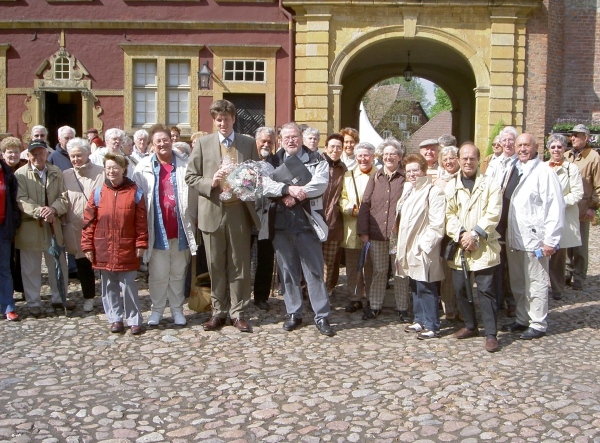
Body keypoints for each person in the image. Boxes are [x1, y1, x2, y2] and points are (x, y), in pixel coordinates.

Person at [185, 99, 260, 333]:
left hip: (239, 211)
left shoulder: (247, 143)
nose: (222, 123)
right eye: (218, 119)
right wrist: (211, 181)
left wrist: (246, 182)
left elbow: (257, 176)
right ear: (214, 121)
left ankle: (238, 312)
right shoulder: (203, 144)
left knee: (239, 264)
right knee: (215, 264)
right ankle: (218, 312)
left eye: (226, 119)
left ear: (233, 119)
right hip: (212, 211)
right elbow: (190, 177)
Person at [261, 122, 335, 336]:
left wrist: (294, 193)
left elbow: (320, 184)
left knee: (314, 271)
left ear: (301, 138)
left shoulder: (316, 159)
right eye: (286, 137)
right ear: (280, 140)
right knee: (288, 271)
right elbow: (265, 185)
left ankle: (321, 316)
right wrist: (286, 188)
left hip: (307, 223)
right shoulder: (272, 161)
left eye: (294, 137)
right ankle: (294, 313)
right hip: (281, 224)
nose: (291, 141)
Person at [134, 124, 198, 327]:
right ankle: (157, 310)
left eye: (165, 140)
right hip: (157, 229)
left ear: (172, 141)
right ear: (152, 145)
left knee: (178, 273)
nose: (162, 144)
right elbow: (137, 201)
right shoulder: (142, 168)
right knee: (159, 274)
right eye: (158, 141)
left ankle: (178, 310)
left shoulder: (185, 164)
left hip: (180, 229)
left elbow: (195, 195)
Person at [502, 133, 564, 340]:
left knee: (536, 281)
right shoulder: (513, 169)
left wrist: (551, 240)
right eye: (519, 145)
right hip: (514, 237)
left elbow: (555, 207)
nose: (522, 149)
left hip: (535, 239)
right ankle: (522, 318)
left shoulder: (545, 172)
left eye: (526, 145)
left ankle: (538, 322)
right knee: (518, 282)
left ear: (536, 147)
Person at [445, 143, 502, 352]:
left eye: (472, 158)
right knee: (460, 288)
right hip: (461, 245)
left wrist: (475, 233)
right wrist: (461, 234)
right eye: (464, 158)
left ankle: (491, 334)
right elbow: (448, 214)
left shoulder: (490, 183)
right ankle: (470, 325)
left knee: (486, 291)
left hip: (484, 245)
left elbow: (494, 212)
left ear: (478, 160)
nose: (468, 162)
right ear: (459, 160)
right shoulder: (451, 186)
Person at [82, 153, 148, 334]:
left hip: (127, 245)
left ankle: (134, 319)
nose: (111, 171)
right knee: (108, 285)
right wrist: (87, 245)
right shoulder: (97, 193)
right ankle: (115, 318)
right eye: (108, 167)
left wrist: (141, 243)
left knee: (128, 285)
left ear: (123, 169)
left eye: (115, 167)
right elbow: (88, 222)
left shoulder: (135, 192)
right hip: (103, 245)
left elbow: (141, 222)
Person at [15, 140, 72, 317]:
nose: (38, 157)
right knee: (30, 267)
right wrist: (40, 211)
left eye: (41, 153)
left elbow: (64, 196)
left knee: (57, 262)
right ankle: (33, 302)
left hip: (52, 224)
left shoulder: (56, 172)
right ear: (28, 155)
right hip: (30, 225)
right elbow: (21, 199)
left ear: (47, 154)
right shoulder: (21, 174)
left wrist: (53, 209)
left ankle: (59, 297)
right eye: (34, 154)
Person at [357, 137, 409, 321]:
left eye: (392, 154)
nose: (389, 157)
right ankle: (375, 305)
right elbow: (365, 204)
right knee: (379, 271)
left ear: (399, 157)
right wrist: (363, 232)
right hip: (376, 232)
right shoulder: (375, 176)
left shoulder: (406, 178)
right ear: (381, 156)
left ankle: (403, 308)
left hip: (399, 233)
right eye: (386, 154)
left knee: (400, 271)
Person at [396, 153, 445, 339]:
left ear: (424, 170)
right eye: (409, 171)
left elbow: (437, 224)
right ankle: (419, 320)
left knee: (427, 285)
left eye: (415, 170)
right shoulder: (409, 190)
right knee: (415, 284)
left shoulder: (434, 191)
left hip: (423, 248)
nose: (412, 174)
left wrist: (423, 246)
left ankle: (432, 325)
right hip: (408, 246)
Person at [62, 137, 105, 312]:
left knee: (104, 264)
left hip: (100, 225)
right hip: (77, 227)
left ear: (88, 154)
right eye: (72, 156)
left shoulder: (101, 172)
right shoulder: (65, 175)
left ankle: (109, 296)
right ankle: (88, 296)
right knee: (83, 264)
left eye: (79, 155)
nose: (76, 159)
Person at [340, 142, 377, 313]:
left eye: (366, 155)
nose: (363, 159)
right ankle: (355, 298)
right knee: (353, 265)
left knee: (370, 265)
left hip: (373, 228)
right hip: (352, 227)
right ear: (356, 157)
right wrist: (352, 209)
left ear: (373, 156)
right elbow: (342, 198)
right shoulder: (348, 176)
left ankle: (371, 297)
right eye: (360, 155)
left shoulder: (380, 175)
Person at [546, 134, 583, 300]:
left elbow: (577, 193)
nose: (556, 150)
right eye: (553, 147)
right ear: (548, 150)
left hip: (563, 216)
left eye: (559, 147)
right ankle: (542, 285)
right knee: (543, 252)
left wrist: (559, 202)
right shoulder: (543, 167)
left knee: (559, 254)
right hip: (545, 217)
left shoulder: (571, 169)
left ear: (564, 149)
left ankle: (558, 287)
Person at [565, 124, 600, 291]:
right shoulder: (566, 156)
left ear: (586, 138)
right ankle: (566, 271)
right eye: (572, 135)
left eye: (577, 136)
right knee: (566, 243)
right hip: (567, 208)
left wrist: (593, 206)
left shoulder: (593, 157)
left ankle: (579, 275)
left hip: (583, 207)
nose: (573, 138)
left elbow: (598, 185)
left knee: (580, 245)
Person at [488, 126, 518, 317]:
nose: (507, 144)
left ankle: (512, 299)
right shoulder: (494, 162)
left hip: (512, 216)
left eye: (510, 140)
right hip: (495, 217)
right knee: (496, 260)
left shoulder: (520, 164)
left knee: (511, 262)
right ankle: (497, 298)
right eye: (504, 140)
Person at [253, 126, 277, 310]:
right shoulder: (247, 160)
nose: (266, 144)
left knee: (265, 258)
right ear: (256, 141)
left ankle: (261, 297)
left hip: (268, 218)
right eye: (263, 141)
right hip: (247, 215)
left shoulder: (277, 162)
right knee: (242, 257)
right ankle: (241, 295)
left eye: (270, 142)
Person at [436, 145, 460, 321]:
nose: (449, 162)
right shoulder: (438, 182)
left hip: (463, 230)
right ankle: (449, 306)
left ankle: (464, 307)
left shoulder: (465, 178)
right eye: (445, 159)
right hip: (445, 233)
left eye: (452, 158)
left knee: (464, 271)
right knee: (447, 272)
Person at [321, 133, 347, 296]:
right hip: (315, 221)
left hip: (335, 223)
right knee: (315, 262)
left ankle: (326, 290)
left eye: (339, 147)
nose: (335, 150)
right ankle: (312, 291)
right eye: (332, 146)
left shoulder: (344, 170)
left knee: (330, 261)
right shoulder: (317, 165)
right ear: (326, 148)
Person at [1, 137, 26, 295]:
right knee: (8, 259)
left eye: (16, 152)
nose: (13, 155)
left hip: (24, 219)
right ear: (3, 154)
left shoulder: (24, 168)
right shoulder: (4, 172)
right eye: (10, 152)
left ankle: (22, 288)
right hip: (9, 221)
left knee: (22, 258)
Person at [0, 152, 21, 321]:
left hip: (3, 228)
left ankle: (8, 306)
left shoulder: (7, 173)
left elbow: (14, 202)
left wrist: (14, 222)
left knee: (5, 269)